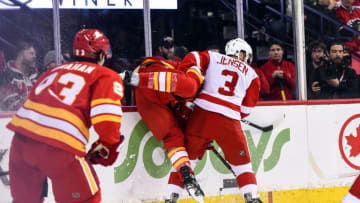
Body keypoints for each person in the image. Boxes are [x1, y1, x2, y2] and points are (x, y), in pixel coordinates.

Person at [131, 38, 263, 203]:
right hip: (230, 120)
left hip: (200, 115)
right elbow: (246, 110)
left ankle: (171, 197)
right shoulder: (252, 75)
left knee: (188, 161)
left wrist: (190, 72)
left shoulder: (212, 57)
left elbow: (193, 57)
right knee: (243, 165)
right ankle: (252, 197)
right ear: (243, 55)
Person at [6, 29, 125, 203]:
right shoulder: (104, 75)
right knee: (86, 199)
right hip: (60, 147)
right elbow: (106, 119)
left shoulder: (51, 72)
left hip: (21, 144)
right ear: (100, 55)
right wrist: (109, 146)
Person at [132, 56, 204, 202]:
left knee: (172, 136)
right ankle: (186, 173)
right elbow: (177, 82)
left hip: (145, 97)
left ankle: (185, 172)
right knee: (173, 135)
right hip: (150, 78)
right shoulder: (190, 80)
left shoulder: (189, 78)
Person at [0, 42, 38, 111]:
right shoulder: (7, 76)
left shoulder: (36, 77)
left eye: (35, 54)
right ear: (21, 55)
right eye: (31, 53)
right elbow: (8, 104)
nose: (34, 56)